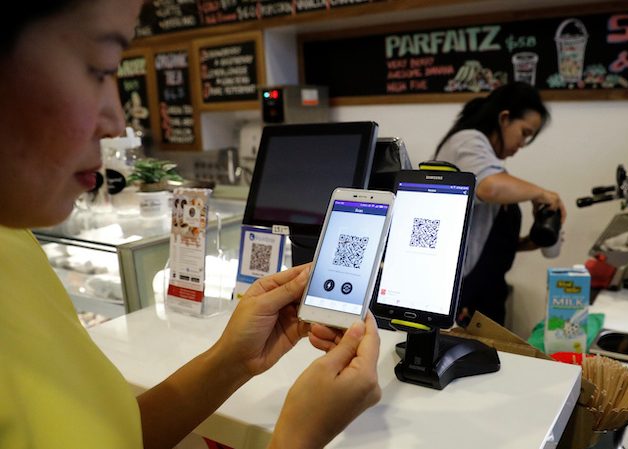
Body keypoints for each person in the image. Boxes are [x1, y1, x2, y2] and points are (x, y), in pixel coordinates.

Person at [0, 1, 380, 448]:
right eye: (100, 69)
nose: (117, 123)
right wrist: (297, 438)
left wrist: (234, 361)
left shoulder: (14, 241)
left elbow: (111, 435)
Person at [433, 82, 567, 326]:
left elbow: (482, 238)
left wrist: (530, 243)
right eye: (524, 133)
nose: (522, 144)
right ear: (505, 118)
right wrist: (542, 194)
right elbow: (488, 187)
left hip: (486, 295)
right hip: (460, 292)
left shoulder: (491, 164)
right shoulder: (468, 140)